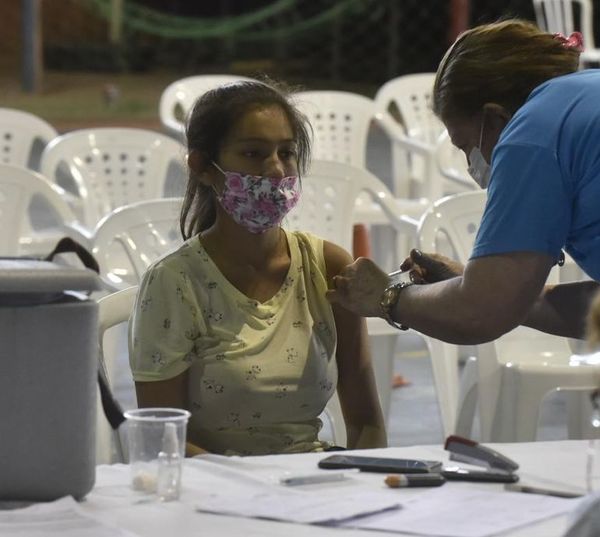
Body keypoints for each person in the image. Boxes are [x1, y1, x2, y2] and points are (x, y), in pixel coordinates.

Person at [128, 79, 386, 456]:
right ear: (203, 167)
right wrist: (248, 486)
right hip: (217, 493)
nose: (276, 170)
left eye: (287, 153)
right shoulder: (175, 283)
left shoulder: (328, 267)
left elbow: (367, 424)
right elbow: (163, 438)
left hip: (313, 484)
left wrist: (357, 482)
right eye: (253, 154)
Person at [328, 19, 600, 345]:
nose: (473, 165)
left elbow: (479, 315)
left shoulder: (532, 134)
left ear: (495, 118)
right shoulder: (583, 98)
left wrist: (388, 296)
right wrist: (505, 290)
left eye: (467, 146)